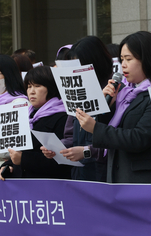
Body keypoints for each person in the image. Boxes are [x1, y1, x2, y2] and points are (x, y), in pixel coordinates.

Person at [75, 31, 151, 184]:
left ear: (148, 59)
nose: (123, 65)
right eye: (121, 59)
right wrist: (107, 104)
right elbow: (116, 127)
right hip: (121, 178)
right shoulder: (127, 93)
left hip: (146, 182)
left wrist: (96, 129)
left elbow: (138, 138)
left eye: (129, 59)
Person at [43, 36, 113, 182]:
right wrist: (57, 148)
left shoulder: (114, 92)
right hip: (80, 174)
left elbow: (116, 140)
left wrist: (87, 152)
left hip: (105, 176)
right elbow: (71, 136)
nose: (75, 70)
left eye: (79, 64)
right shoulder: (77, 92)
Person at [0, 66, 70, 180]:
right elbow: (17, 151)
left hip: (46, 188)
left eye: (37, 86)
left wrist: (24, 159)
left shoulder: (63, 118)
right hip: (21, 187)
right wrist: (7, 166)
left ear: (51, 88)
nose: (31, 91)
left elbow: (62, 162)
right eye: (29, 86)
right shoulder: (26, 115)